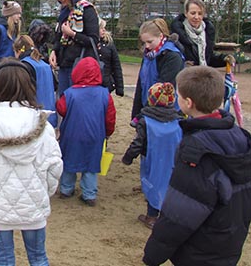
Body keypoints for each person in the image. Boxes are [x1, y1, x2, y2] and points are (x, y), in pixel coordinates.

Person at [143, 66, 251, 266]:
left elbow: (182, 210)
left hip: (200, 247)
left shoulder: (196, 149)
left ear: (188, 102)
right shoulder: (239, 136)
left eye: (178, 95)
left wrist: (154, 253)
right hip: (230, 238)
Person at [0, 60, 63, 266]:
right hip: (32, 205)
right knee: (38, 258)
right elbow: (54, 166)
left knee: (4, 259)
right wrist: (43, 192)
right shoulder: (42, 125)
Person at [122, 82, 182, 229]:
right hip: (173, 159)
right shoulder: (179, 121)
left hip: (152, 158)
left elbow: (138, 142)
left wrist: (128, 157)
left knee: (153, 184)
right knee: (170, 185)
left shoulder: (145, 121)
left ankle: (152, 216)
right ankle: (168, 215)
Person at [56, 57, 116, 206]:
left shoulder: (70, 93)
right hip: (95, 135)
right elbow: (110, 117)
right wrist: (108, 132)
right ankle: (89, 194)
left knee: (69, 160)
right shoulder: (104, 94)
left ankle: (66, 188)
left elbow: (61, 109)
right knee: (91, 164)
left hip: (72, 134)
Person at [48, 0, 100, 96]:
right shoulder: (63, 13)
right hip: (64, 63)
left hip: (79, 64)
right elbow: (59, 37)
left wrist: (72, 34)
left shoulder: (87, 10)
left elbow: (93, 40)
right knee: (63, 101)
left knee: (76, 100)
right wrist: (54, 51)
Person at [131, 18, 184, 119]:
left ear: (160, 36)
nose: (147, 46)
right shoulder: (149, 55)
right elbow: (140, 85)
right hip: (147, 109)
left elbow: (164, 88)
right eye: (144, 42)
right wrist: (136, 114)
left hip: (165, 113)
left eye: (150, 42)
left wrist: (143, 114)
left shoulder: (172, 57)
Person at [170, 0, 234, 67]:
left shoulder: (208, 32)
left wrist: (224, 59)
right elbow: (170, 59)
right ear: (186, 13)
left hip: (202, 74)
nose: (196, 17)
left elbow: (208, 58)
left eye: (200, 14)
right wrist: (183, 65)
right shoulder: (177, 33)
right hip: (184, 76)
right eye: (193, 13)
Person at [14, 35, 57, 127]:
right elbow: (55, 86)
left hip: (33, 117)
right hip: (50, 117)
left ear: (18, 51)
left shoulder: (24, 66)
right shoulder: (45, 65)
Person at [98, 18, 124, 96]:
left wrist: (119, 87)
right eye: (101, 28)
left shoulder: (109, 44)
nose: (104, 30)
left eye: (104, 28)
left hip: (106, 83)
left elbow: (116, 65)